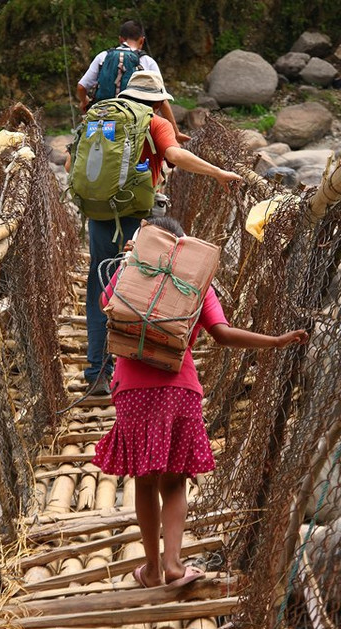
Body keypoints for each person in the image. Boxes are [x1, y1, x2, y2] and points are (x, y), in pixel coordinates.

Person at [93, 215, 310, 588]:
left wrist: (131, 264)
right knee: (175, 482)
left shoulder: (133, 273)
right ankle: (175, 564)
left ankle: (152, 570)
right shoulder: (196, 283)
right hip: (181, 389)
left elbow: (106, 305)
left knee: (145, 481)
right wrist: (274, 342)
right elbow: (222, 334)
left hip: (133, 389)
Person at [72, 70, 242, 395]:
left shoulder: (99, 119)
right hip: (141, 218)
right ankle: (143, 368)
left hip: (100, 215)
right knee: (146, 288)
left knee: (103, 285)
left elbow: (72, 167)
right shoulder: (154, 122)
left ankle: (97, 372)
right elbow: (175, 155)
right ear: (155, 100)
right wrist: (217, 171)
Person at [76, 20, 189, 142]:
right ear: (142, 40)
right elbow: (162, 100)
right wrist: (176, 132)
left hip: (101, 119)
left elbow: (81, 87)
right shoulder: (147, 61)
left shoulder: (103, 56)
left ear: (120, 39)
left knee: (76, 149)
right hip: (134, 124)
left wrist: (84, 101)